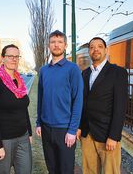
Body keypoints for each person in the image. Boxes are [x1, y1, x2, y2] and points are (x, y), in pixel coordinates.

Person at [76, 37, 128, 174]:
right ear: (89, 51)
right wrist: (80, 127)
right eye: (92, 47)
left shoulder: (118, 72)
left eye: (99, 46)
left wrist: (114, 136)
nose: (96, 49)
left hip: (107, 135)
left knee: (110, 171)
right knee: (89, 171)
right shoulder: (85, 73)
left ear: (106, 50)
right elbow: (83, 103)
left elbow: (120, 107)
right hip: (87, 134)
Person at [36, 30, 83, 174]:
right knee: (52, 168)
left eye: (60, 42)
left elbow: (78, 101)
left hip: (64, 130)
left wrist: (72, 130)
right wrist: (39, 123)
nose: (56, 45)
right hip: (46, 129)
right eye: (53, 42)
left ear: (65, 45)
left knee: (65, 169)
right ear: (49, 45)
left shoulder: (73, 69)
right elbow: (40, 98)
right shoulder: (43, 70)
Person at [0, 44, 32, 174]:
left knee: (26, 171)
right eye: (10, 56)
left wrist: (30, 132)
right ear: (2, 58)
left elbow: (23, 108)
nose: (14, 59)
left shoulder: (19, 80)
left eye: (16, 56)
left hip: (22, 137)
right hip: (4, 139)